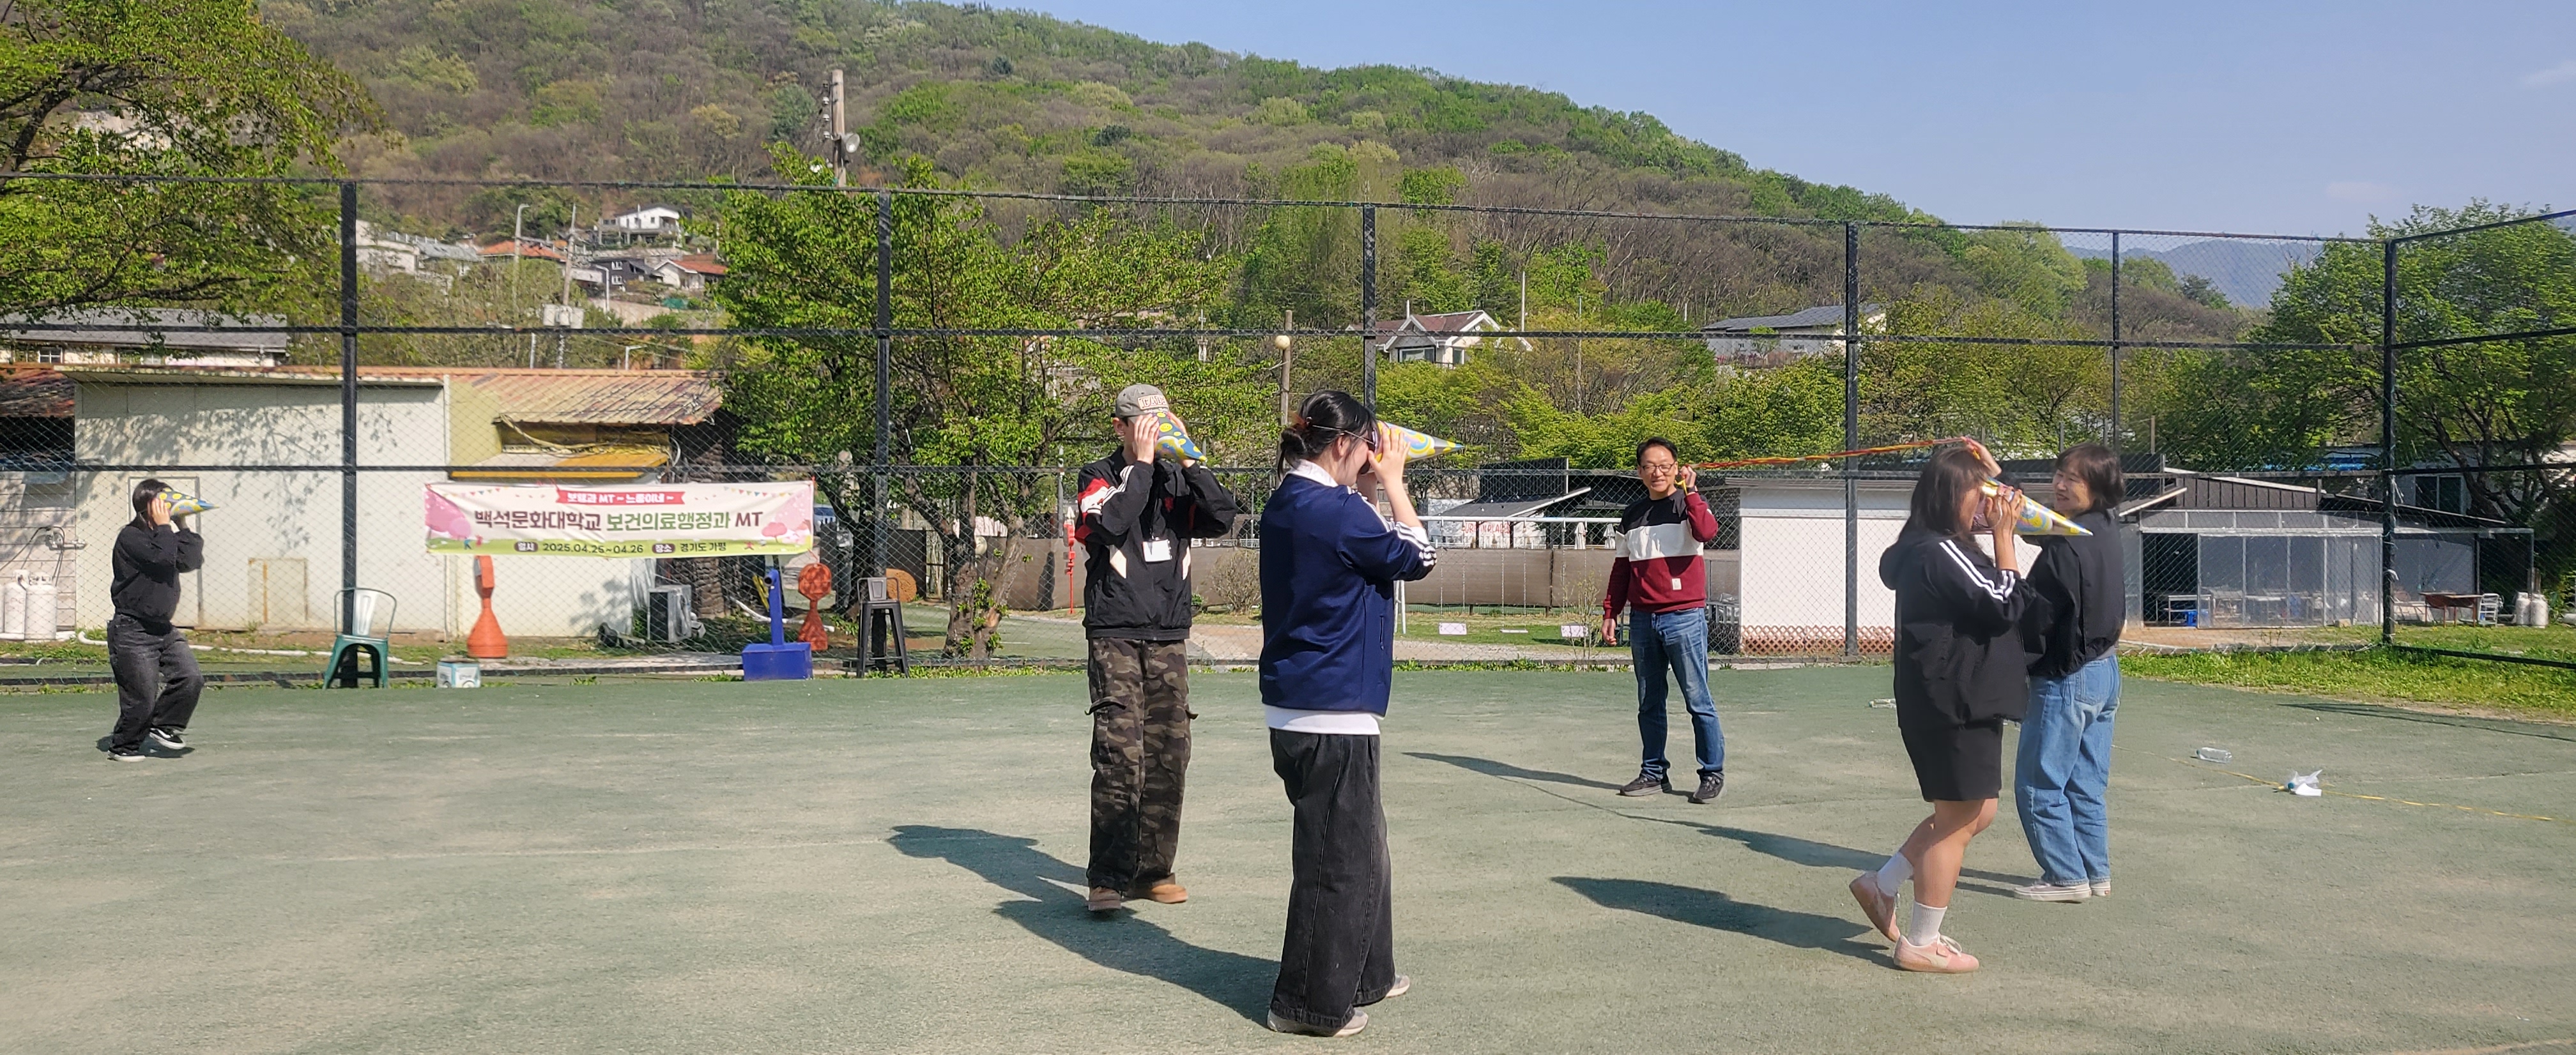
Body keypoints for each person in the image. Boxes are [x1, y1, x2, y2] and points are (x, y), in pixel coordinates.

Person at [1257, 390, 1436, 1038]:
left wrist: (1365, 482)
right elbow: (1418, 558)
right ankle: (1306, 1004)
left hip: (1304, 704)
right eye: (1366, 446)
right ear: (1342, 444)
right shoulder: (1334, 509)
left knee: (1363, 850)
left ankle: (1367, 973)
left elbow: (1362, 547)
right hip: (1331, 710)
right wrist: (1394, 483)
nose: (1372, 456)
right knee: (1337, 862)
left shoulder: (1293, 499)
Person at [1849, 444, 2028, 973]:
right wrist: (2004, 538)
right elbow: (2005, 604)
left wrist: (1996, 473)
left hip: (1955, 699)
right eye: (1981, 494)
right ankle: (1922, 943)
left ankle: (1881, 886)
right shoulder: (1941, 550)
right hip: (1954, 702)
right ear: (1953, 497)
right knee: (1958, 820)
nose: (1991, 504)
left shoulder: (1932, 547)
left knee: (1977, 812)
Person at [1073, 383, 1241, 913]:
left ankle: (1154, 871)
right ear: (1120, 427)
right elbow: (1109, 524)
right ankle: (1108, 878)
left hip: (1169, 633)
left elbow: (1222, 516)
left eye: (1162, 420)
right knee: (1120, 755)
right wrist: (1142, 465)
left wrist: (1190, 461)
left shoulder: (1177, 476)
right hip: (1116, 632)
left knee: (1169, 753)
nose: (1155, 430)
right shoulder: (1098, 476)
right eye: (1143, 423)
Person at [2011, 443, 2126, 902]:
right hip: (2105, 673)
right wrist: (2001, 481)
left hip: (2067, 678)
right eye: (2058, 474)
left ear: (2096, 488)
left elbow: (2031, 616)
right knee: (2086, 784)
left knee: (2039, 785)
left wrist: (2010, 666)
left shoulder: (2065, 548)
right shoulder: (2103, 525)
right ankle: (2096, 874)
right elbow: (2043, 529)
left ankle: (2066, 877)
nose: (2059, 485)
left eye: (2072, 479)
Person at [1600, 437, 1727, 802]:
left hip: (1685, 617)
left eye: (1665, 465)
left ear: (1676, 468)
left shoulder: (1689, 504)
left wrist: (1692, 493)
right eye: (1650, 466)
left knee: (1698, 700)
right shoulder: (1632, 515)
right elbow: (1621, 570)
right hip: (1643, 620)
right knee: (1649, 702)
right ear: (1640, 472)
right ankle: (1654, 773)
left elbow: (1707, 532)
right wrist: (1611, 612)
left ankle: (1712, 773)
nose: (1657, 472)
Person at [107, 480, 206, 762]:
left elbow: (190, 561)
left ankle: (163, 726)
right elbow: (163, 560)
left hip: (163, 629)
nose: (169, 505)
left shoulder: (166, 537)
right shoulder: (130, 537)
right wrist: (165, 527)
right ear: (147, 507)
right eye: (163, 501)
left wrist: (181, 526)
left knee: (190, 677)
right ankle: (123, 746)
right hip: (132, 629)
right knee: (142, 698)